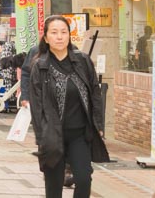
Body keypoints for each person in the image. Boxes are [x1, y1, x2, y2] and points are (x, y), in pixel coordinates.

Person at [30, 15, 109, 198]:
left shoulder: (83, 61)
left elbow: (95, 95)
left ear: (69, 36)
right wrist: (41, 136)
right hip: (52, 135)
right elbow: (36, 105)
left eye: (64, 32)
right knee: (54, 186)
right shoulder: (40, 66)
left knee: (83, 179)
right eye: (54, 32)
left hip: (79, 134)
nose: (59, 37)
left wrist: (99, 126)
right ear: (46, 37)